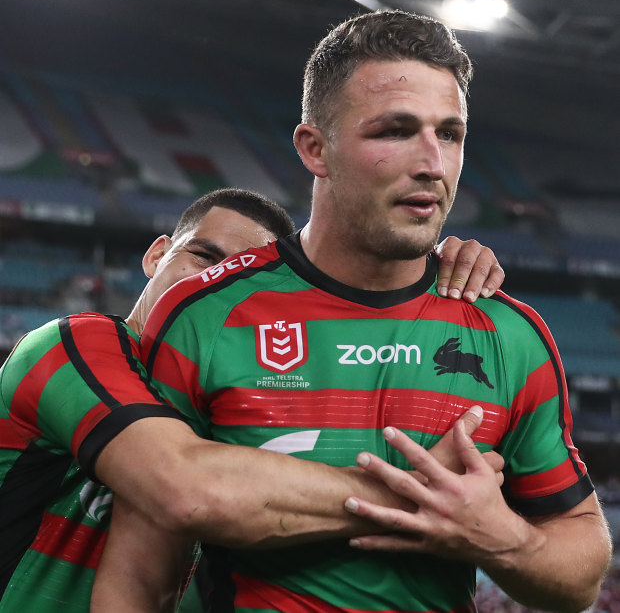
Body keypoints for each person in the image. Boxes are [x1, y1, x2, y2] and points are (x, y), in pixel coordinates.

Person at [95, 9, 611, 613]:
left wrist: (504, 541)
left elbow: (580, 574)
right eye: (394, 130)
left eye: (450, 134)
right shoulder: (205, 315)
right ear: (316, 148)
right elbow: (138, 579)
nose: (432, 164)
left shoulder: (509, 335)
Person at [0, 185, 504, 612]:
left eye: (238, 276)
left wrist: (432, 269)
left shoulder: (248, 397)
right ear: (157, 255)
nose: (209, 285)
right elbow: (184, 487)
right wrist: (416, 495)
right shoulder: (69, 345)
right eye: (203, 257)